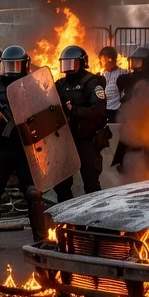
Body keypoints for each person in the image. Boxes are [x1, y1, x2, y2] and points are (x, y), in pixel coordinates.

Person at [0, 46, 45, 251]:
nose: (11, 69)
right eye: (8, 65)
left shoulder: (33, 86)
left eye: (15, 65)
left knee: (33, 193)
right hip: (2, 146)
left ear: (25, 65)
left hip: (26, 147)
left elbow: (48, 111)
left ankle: (40, 238)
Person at [53, 45, 107, 201]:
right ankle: (67, 219)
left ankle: (96, 222)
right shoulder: (60, 84)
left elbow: (97, 111)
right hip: (65, 140)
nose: (68, 67)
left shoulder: (92, 83)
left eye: (72, 63)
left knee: (90, 183)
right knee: (61, 184)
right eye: (66, 63)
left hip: (87, 139)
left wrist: (73, 109)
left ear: (82, 62)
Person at [111, 47, 149, 169]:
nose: (135, 64)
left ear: (147, 63)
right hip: (131, 116)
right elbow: (122, 87)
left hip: (148, 119)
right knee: (126, 141)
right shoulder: (129, 78)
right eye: (134, 61)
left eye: (138, 61)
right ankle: (121, 164)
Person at [97, 46, 124, 124]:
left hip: (117, 111)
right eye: (102, 60)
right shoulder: (101, 74)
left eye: (106, 59)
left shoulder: (123, 73)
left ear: (112, 60)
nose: (104, 63)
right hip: (103, 111)